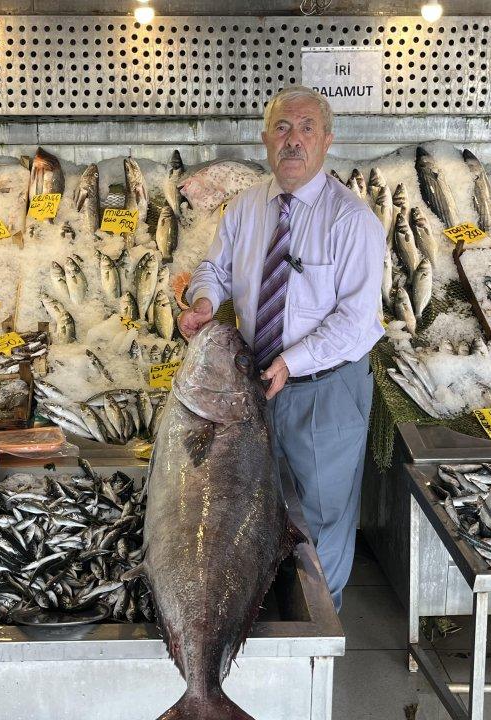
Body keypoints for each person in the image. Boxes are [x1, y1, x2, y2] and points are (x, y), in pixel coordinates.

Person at [177, 85, 385, 610]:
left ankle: (319, 628)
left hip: (324, 388)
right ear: (266, 139)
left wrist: (291, 362)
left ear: (328, 141)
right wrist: (205, 301)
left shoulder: (351, 220)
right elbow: (215, 269)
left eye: (307, 129)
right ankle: (259, 615)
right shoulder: (248, 206)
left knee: (320, 513)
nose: (294, 141)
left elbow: (357, 322)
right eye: (283, 129)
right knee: (254, 500)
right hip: (254, 385)